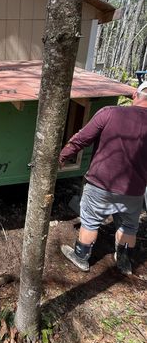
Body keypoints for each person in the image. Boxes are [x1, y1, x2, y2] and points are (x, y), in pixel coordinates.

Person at [59, 81, 147, 275]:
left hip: (101, 183)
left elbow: (81, 138)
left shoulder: (110, 113)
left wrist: (62, 156)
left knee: (90, 221)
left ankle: (81, 257)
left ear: (135, 95)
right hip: (134, 189)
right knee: (129, 225)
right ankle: (123, 261)